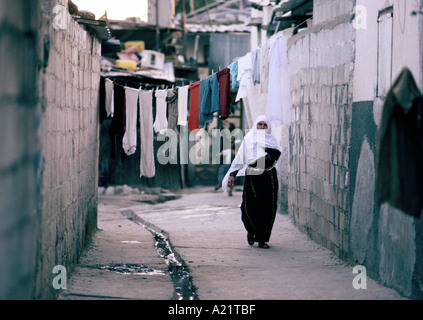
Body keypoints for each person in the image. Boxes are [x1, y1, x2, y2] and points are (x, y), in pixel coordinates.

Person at [222, 115, 281, 249]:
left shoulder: (271, 141)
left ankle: (262, 239)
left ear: (268, 127)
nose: (262, 127)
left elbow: (276, 154)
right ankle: (251, 231)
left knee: (267, 208)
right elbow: (240, 158)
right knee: (248, 207)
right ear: (255, 125)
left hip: (268, 177)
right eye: (259, 124)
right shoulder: (248, 139)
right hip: (253, 177)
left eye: (264, 125)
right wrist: (232, 174)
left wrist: (263, 146)